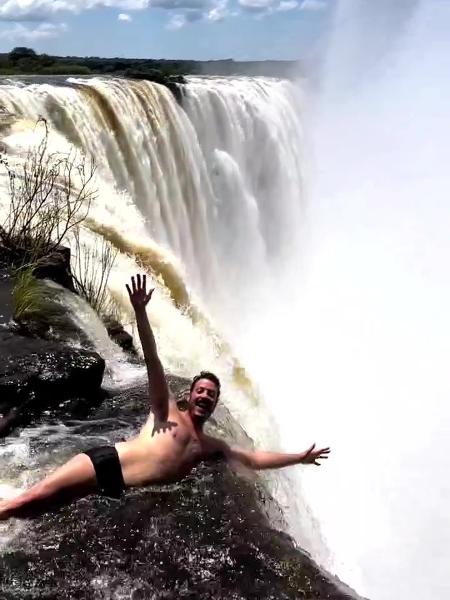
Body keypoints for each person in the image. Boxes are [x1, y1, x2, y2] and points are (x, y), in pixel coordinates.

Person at [0, 274, 330, 521]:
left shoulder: (210, 447)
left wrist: (298, 457)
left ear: (214, 404)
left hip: (119, 492)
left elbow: (255, 459)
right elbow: (154, 359)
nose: (204, 396)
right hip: (105, 464)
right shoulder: (166, 409)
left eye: (211, 395)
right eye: (200, 390)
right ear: (190, 394)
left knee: (35, 514)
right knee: (28, 503)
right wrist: (141, 313)